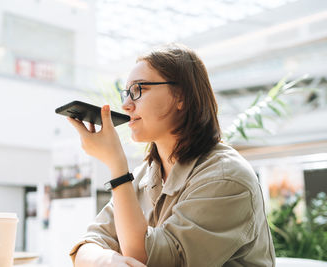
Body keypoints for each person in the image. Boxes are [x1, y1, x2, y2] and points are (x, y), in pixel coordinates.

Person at [67, 43, 276, 267]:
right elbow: (87, 245)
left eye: (138, 90)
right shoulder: (145, 175)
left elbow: (153, 261)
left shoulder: (226, 177)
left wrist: (116, 165)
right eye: (126, 93)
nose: (126, 105)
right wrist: (111, 262)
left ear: (181, 96)